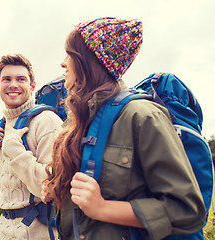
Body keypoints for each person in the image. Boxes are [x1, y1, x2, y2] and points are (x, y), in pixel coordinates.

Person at [42, 17, 206, 240]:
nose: (63, 63)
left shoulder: (143, 116)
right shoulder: (75, 121)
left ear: (90, 62)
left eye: (70, 54)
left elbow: (187, 211)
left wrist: (102, 208)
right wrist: (56, 189)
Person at [0, 53, 62, 240]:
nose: (13, 84)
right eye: (6, 79)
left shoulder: (47, 122)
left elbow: (49, 188)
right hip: (4, 232)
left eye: (20, 79)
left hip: (40, 233)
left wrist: (14, 150)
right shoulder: (1, 126)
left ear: (32, 86)